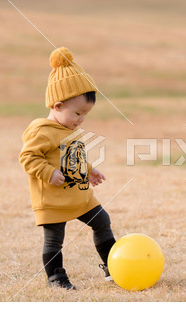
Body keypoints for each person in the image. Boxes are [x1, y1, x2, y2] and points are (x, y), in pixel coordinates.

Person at [19, 47, 115, 290]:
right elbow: (28, 157)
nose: (81, 120)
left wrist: (90, 169)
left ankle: (113, 266)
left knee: (102, 221)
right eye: (78, 113)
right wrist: (48, 172)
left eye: (86, 114)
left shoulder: (68, 129)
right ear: (58, 105)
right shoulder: (42, 131)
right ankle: (56, 277)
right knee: (54, 241)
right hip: (53, 199)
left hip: (80, 195)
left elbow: (71, 157)